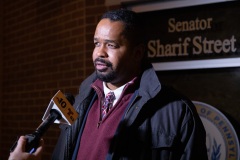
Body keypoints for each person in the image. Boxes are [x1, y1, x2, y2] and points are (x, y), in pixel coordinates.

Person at [8, 8, 208, 160]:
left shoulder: (177, 111)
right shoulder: (79, 101)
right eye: (97, 43)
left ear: (137, 53)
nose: (99, 53)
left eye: (111, 45)